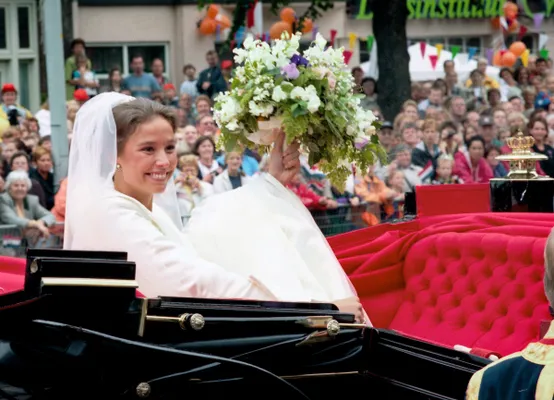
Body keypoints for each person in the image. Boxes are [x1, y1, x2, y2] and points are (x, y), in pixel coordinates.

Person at [64, 92, 367, 323]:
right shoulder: (108, 212)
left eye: (170, 148)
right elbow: (192, 282)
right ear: (112, 155)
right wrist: (315, 309)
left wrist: (271, 183)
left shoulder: (132, 202)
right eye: (147, 149)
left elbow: (200, 241)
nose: (164, 162)